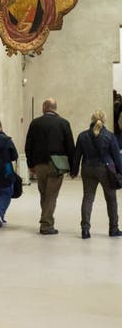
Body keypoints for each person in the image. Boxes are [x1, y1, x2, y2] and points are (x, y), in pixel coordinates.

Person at [24, 98, 75, 235]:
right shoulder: (64, 123)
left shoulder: (35, 123)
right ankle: (46, 225)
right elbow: (70, 147)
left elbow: (28, 145)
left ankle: (47, 221)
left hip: (39, 164)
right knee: (51, 195)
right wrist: (73, 167)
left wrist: (30, 164)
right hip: (57, 163)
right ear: (55, 108)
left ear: (44, 107)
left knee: (44, 194)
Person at [70, 110, 122, 239]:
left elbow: (77, 156)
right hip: (106, 170)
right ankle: (113, 229)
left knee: (88, 199)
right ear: (104, 120)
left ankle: (85, 230)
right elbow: (117, 157)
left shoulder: (82, 136)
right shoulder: (110, 136)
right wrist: (120, 171)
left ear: (91, 120)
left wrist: (74, 171)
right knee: (111, 199)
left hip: (87, 169)